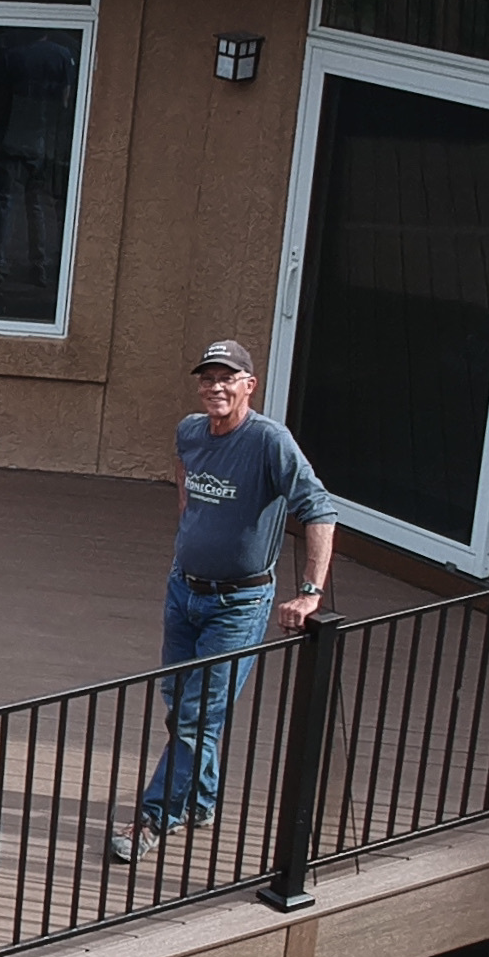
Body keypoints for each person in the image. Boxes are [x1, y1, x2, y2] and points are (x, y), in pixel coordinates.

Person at [110, 341, 339, 861]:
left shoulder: (269, 443)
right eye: (208, 378)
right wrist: (191, 533)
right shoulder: (191, 430)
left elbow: (320, 511)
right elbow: (186, 478)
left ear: (249, 385)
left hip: (239, 603)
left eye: (227, 378)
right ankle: (203, 799)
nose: (216, 387)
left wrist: (308, 594)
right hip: (183, 589)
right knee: (179, 700)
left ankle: (154, 816)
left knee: (196, 715)